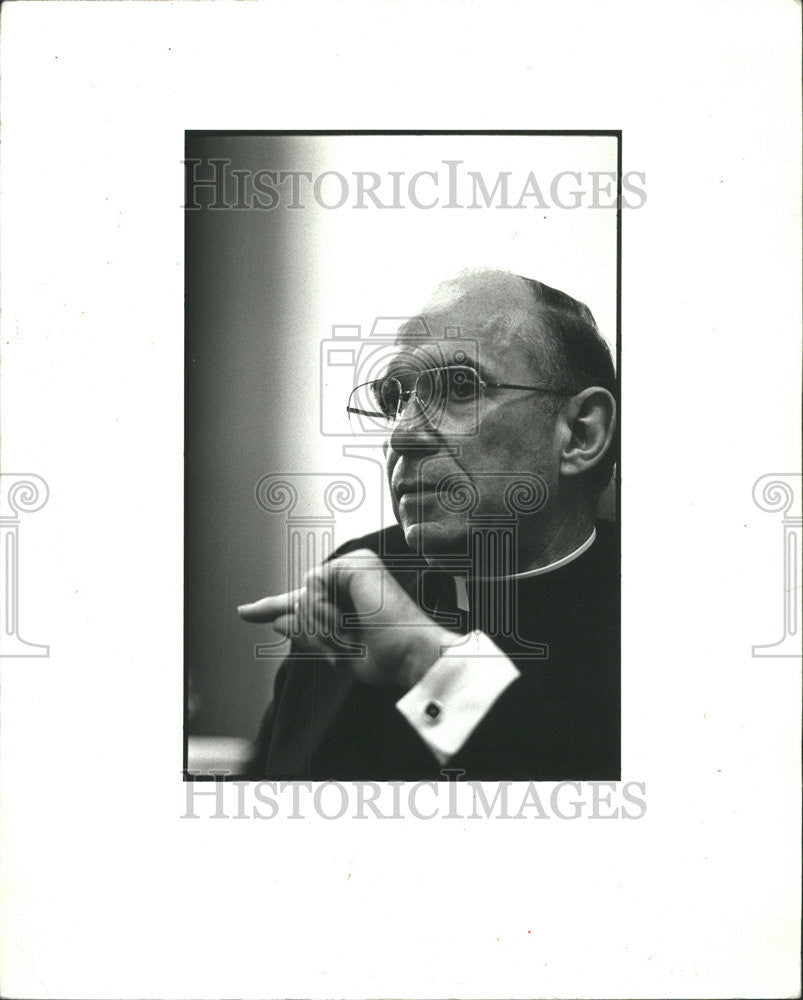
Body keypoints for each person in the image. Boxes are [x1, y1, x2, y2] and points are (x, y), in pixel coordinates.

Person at [238, 269, 619, 780]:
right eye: (395, 399)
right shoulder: (358, 577)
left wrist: (422, 656)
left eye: (461, 387)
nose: (403, 435)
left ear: (579, 433)